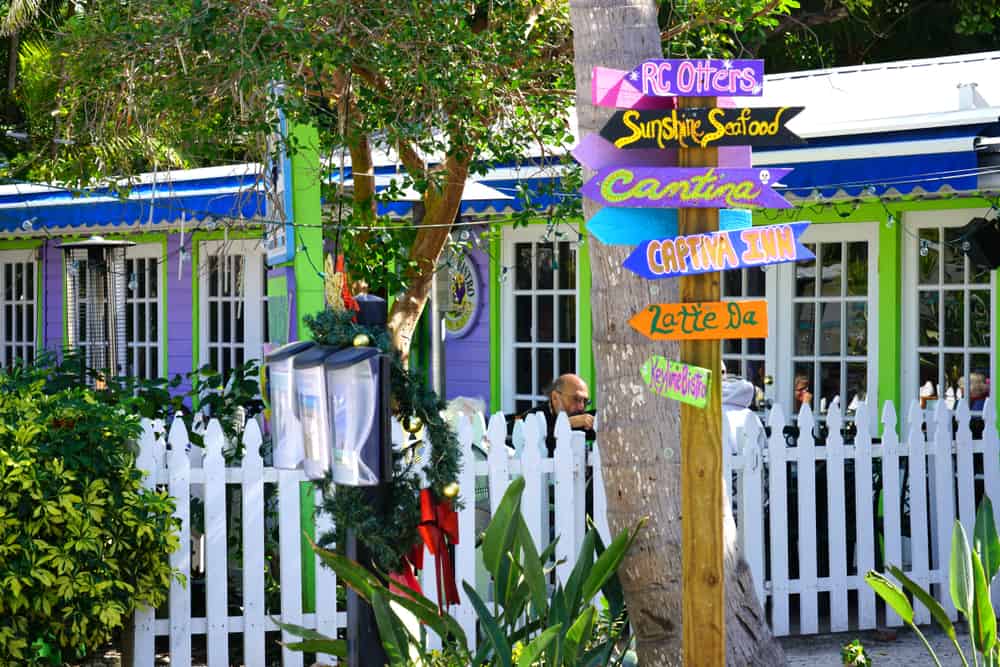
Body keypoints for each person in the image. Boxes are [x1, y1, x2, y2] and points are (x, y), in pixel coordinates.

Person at [513, 373, 596, 455]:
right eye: (575, 399)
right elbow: (538, 447)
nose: (581, 407)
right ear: (555, 397)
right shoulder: (532, 417)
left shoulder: (578, 416)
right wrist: (567, 424)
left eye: (585, 401)